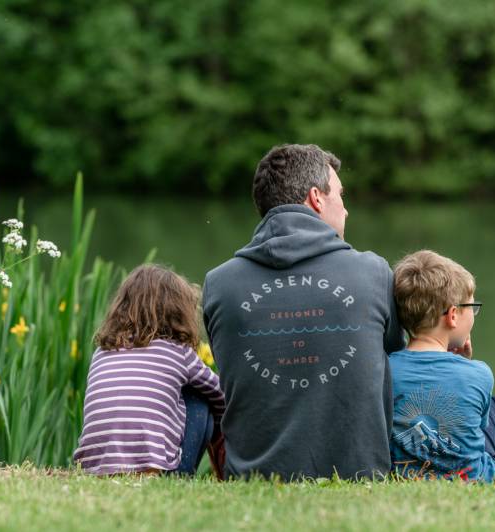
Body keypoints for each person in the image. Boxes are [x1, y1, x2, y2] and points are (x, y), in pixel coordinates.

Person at [203, 144, 405, 480]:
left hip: (254, 480)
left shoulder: (219, 284)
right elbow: (396, 359)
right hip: (361, 479)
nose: (346, 210)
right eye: (341, 195)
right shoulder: (374, 273)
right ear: (316, 198)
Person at [390, 250, 495, 481]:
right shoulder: (479, 373)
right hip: (477, 479)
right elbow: (476, 429)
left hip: (407, 477)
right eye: (472, 307)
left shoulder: (386, 370)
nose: (474, 315)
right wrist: (463, 365)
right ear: (453, 315)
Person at [73, 264, 225, 475]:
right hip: (152, 470)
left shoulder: (103, 351)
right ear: (179, 311)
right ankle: (181, 475)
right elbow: (223, 395)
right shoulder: (178, 352)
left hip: (94, 468)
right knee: (200, 401)